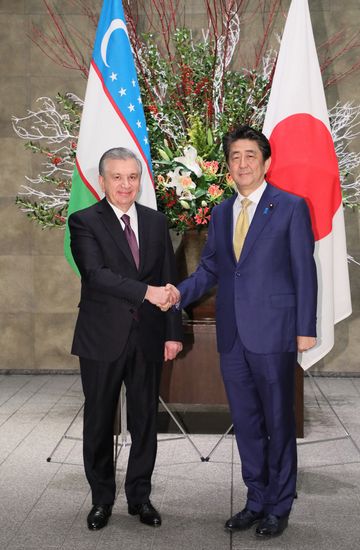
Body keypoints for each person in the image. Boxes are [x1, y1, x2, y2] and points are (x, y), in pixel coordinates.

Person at [175, 125, 317, 538]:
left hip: (275, 333)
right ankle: (256, 500)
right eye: (235, 156)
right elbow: (211, 270)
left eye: (250, 156)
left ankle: (280, 504)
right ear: (228, 166)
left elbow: (303, 271)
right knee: (246, 421)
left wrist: (304, 328)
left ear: (266, 162)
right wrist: (175, 294)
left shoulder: (290, 207)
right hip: (233, 336)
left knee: (278, 419)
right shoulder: (221, 212)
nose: (242, 164)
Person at [68, 147, 183, 531]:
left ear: (140, 180)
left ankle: (140, 498)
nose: (125, 184)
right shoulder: (83, 221)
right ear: (102, 181)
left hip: (148, 339)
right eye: (116, 177)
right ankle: (101, 499)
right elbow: (95, 275)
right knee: (99, 420)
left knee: (145, 420)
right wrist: (147, 292)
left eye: (132, 177)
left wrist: (173, 334)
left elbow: (169, 278)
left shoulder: (155, 222)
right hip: (102, 338)